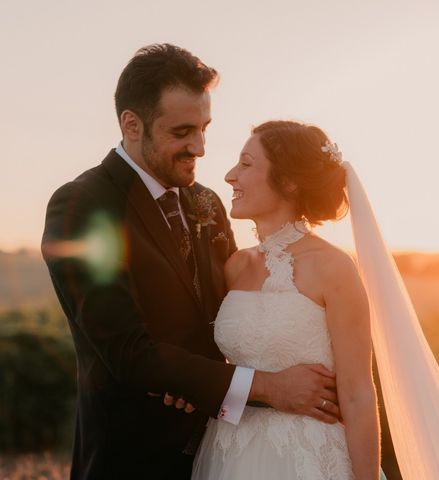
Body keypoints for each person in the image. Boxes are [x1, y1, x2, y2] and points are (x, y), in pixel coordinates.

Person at [41, 44, 340, 480]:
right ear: (132, 124)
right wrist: (268, 387)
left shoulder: (207, 202)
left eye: (204, 128)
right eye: (182, 132)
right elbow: (126, 352)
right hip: (134, 459)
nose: (199, 147)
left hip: (226, 452)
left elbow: (231, 315)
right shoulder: (82, 206)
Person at [192, 121, 380, 479]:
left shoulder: (334, 268)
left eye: (246, 164)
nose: (231, 176)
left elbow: (357, 396)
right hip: (229, 453)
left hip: (306, 459)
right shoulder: (235, 266)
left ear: (289, 181)